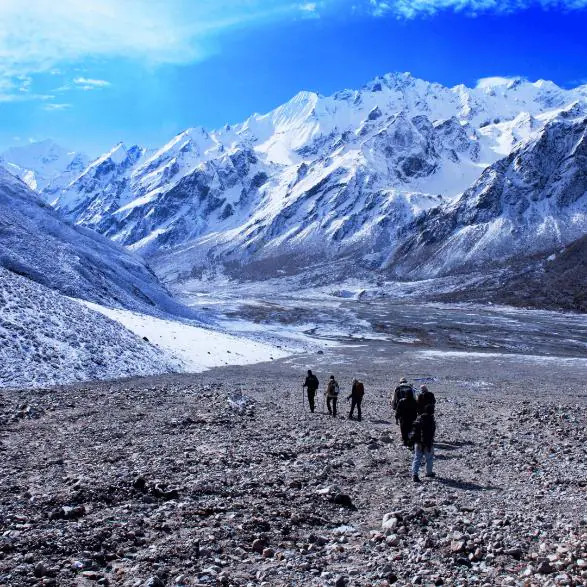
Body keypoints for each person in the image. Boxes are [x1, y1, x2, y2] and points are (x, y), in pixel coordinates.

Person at [411, 404, 436, 482]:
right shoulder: (431, 420)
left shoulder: (419, 418)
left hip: (418, 442)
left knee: (417, 458)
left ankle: (414, 474)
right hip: (427, 443)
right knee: (429, 458)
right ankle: (429, 472)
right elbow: (431, 433)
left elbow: (414, 430)